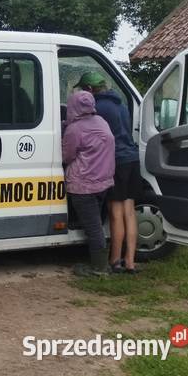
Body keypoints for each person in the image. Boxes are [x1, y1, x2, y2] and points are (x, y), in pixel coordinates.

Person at [78, 71, 142, 273]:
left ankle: (114, 260)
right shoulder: (121, 104)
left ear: (89, 89)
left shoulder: (99, 108)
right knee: (129, 212)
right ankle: (130, 262)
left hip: (117, 162)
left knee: (115, 212)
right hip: (132, 159)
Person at [62, 90, 116, 276]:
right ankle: (99, 262)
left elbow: (67, 156)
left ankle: (99, 268)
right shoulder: (102, 122)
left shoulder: (74, 129)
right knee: (96, 225)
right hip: (103, 183)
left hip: (82, 185)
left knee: (93, 228)